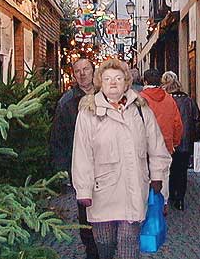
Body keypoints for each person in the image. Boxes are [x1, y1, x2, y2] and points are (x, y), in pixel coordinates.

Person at [72, 58, 171, 259]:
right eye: (107, 78)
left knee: (128, 244)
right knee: (104, 247)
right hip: (101, 192)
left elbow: (157, 147)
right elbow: (81, 154)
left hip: (133, 188)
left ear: (126, 82)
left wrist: (158, 177)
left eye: (118, 78)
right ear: (100, 82)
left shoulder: (141, 110)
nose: (113, 82)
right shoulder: (89, 112)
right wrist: (83, 189)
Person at [49, 58, 98, 259]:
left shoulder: (106, 94)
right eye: (78, 71)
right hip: (79, 166)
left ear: (93, 70)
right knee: (85, 210)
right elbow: (57, 138)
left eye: (86, 69)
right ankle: (91, 249)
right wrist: (62, 170)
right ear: (74, 75)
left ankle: (106, 244)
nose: (82, 73)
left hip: (107, 165)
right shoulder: (66, 102)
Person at [161, 71, 200, 211]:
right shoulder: (189, 101)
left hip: (169, 143)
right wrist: (194, 138)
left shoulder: (165, 101)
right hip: (185, 144)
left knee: (171, 170)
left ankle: (172, 194)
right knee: (182, 171)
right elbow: (197, 121)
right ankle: (180, 200)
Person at [140, 69, 183, 205]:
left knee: (143, 180)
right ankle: (161, 207)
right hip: (165, 145)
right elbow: (177, 124)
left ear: (145, 81)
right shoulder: (169, 99)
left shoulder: (139, 99)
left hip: (143, 147)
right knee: (163, 179)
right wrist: (174, 142)